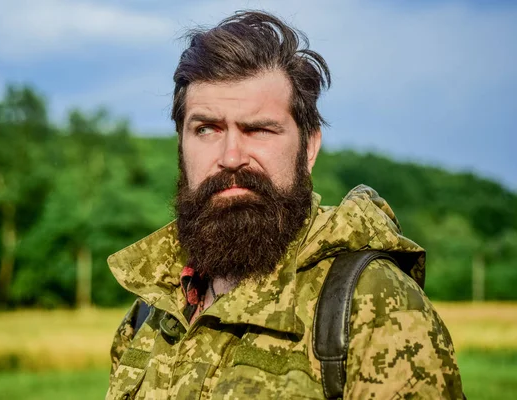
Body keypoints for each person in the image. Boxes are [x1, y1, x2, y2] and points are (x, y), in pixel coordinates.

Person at [105, 10, 464, 399]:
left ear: (308, 147)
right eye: (206, 128)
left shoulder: (373, 307)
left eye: (258, 129)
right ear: (181, 145)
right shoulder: (150, 314)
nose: (230, 156)